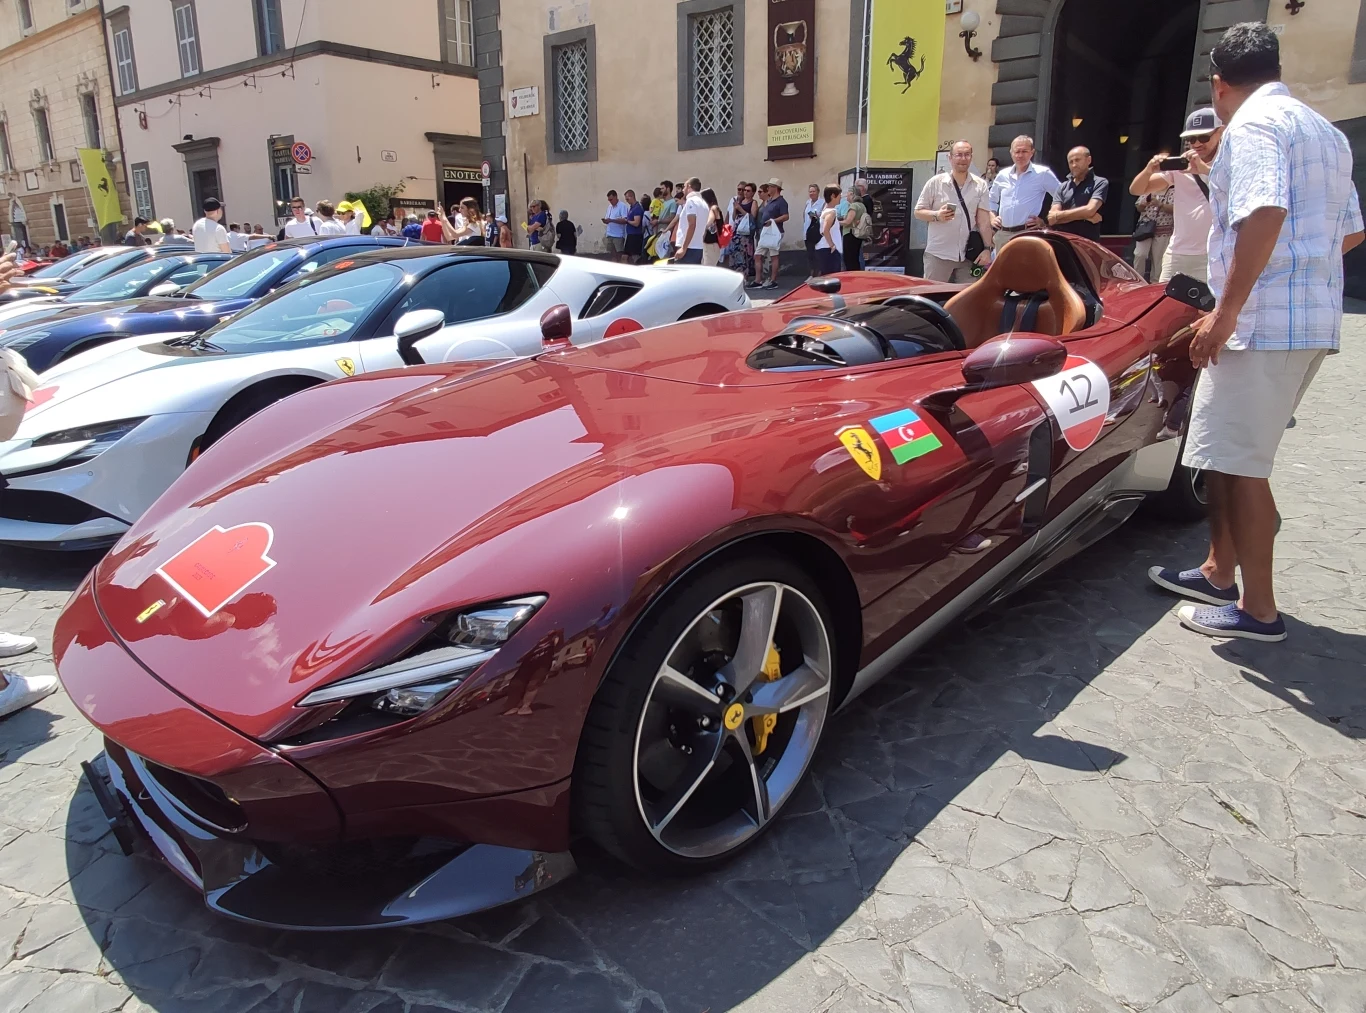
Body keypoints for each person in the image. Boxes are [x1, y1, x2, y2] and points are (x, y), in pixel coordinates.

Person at [1149, 22, 1364, 643]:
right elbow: (1350, 229)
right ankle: (1219, 572)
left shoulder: (1252, 127)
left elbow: (1265, 211)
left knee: (1241, 464)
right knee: (1225, 452)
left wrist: (1227, 311)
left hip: (1259, 324)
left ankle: (1259, 610)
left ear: (1219, 83)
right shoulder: (1323, 129)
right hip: (1305, 320)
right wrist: (1305, 270)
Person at [1130, 108, 1226, 283]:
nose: (1196, 144)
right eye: (1191, 139)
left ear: (1220, 132)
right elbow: (1137, 190)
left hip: (1214, 254)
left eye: (1203, 137)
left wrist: (1203, 170)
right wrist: (1148, 169)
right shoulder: (1182, 165)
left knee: (1208, 309)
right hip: (1177, 253)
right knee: (1166, 307)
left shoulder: (1227, 161)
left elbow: (1232, 190)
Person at [916, 140, 994, 282]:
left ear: (971, 157)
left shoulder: (980, 185)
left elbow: (984, 222)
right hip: (939, 254)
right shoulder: (935, 183)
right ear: (950, 158)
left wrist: (987, 248)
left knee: (968, 298)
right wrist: (936, 215)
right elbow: (918, 211)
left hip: (969, 255)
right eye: (959, 155)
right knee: (932, 297)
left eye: (967, 155)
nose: (963, 159)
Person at [988, 135, 1062, 253]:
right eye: (1017, 151)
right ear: (1011, 152)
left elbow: (1061, 197)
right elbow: (991, 200)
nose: (1020, 155)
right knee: (1003, 271)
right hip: (1002, 235)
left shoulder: (1043, 174)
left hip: (1027, 234)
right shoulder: (1002, 175)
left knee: (1026, 271)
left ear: (1032, 153)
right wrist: (992, 218)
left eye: (1024, 151)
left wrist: (1045, 220)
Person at [1048, 146, 1109, 241]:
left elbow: (1090, 210)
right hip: (1062, 242)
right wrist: (1084, 216)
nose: (1074, 165)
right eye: (1071, 162)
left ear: (1089, 160)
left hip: (1086, 243)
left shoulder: (1100, 182)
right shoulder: (1063, 187)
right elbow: (1051, 219)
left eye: (1077, 160)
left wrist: (1058, 216)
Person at [752, 178, 789, 290]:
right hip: (766, 231)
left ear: (775, 188)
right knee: (758, 255)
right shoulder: (770, 200)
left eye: (770, 186)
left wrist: (773, 220)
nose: (768, 188)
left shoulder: (782, 202)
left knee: (774, 256)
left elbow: (786, 216)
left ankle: (773, 280)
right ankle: (758, 280)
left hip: (775, 232)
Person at [1132, 186, 1174, 282]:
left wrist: (1160, 205)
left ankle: (1155, 284)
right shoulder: (1149, 188)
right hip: (1145, 228)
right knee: (1140, 254)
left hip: (1164, 229)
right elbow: (1138, 207)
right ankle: (1137, 281)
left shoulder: (1174, 190)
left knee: (1158, 260)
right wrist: (1144, 204)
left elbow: (1176, 209)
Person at [670, 177, 709, 265]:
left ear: (689, 186)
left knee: (681, 277)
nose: (683, 190)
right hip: (698, 247)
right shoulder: (703, 203)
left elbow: (692, 224)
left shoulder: (691, 201)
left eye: (684, 187)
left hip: (688, 248)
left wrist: (683, 248)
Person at [728, 182, 758, 283]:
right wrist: (735, 209)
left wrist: (740, 208)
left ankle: (745, 276)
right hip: (737, 231)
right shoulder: (740, 201)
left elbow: (752, 217)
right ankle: (737, 275)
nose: (745, 192)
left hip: (745, 233)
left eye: (748, 191)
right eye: (745, 190)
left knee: (745, 255)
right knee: (735, 253)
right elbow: (733, 217)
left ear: (753, 193)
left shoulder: (753, 203)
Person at [814, 184, 844, 275]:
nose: (840, 197)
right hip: (828, 249)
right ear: (833, 196)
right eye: (839, 195)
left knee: (827, 277)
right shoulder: (831, 212)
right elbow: (825, 230)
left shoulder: (826, 209)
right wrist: (832, 246)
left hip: (824, 248)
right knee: (832, 277)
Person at [839, 186, 871, 272]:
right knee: (855, 258)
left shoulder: (853, 206)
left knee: (849, 259)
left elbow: (848, 221)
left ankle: (851, 278)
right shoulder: (862, 206)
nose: (847, 197)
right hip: (858, 235)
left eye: (849, 194)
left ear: (853, 195)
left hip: (850, 234)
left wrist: (836, 222)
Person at [600, 190, 630, 261]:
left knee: (619, 254)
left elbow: (625, 220)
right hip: (610, 233)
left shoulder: (622, 206)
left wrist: (612, 220)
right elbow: (608, 218)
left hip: (618, 235)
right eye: (609, 200)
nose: (610, 201)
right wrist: (606, 221)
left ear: (616, 197)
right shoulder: (609, 207)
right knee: (612, 254)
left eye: (611, 199)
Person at [803, 184, 823, 276]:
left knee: (817, 254)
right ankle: (811, 274)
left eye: (813, 191)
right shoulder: (808, 202)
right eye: (810, 191)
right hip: (807, 231)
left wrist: (816, 216)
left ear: (818, 192)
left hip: (817, 232)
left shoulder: (822, 202)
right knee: (810, 254)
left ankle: (819, 273)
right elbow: (804, 215)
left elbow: (823, 217)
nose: (811, 193)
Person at [700, 188, 723, 267]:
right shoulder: (711, 208)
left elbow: (709, 222)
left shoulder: (713, 208)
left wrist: (702, 229)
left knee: (708, 268)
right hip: (709, 244)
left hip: (711, 244)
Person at [622, 190, 645, 263]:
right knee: (627, 257)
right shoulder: (632, 207)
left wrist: (627, 221)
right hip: (631, 234)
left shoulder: (637, 208)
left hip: (635, 235)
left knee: (634, 257)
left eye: (627, 199)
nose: (627, 201)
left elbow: (636, 223)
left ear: (632, 197)